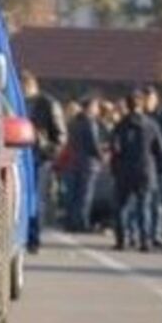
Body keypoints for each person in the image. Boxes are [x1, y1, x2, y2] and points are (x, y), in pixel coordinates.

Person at [110, 91, 162, 251]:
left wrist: (116, 163)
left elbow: (115, 147)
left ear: (127, 105)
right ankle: (145, 240)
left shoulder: (120, 125)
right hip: (146, 168)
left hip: (124, 169)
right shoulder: (152, 124)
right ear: (141, 104)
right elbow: (161, 149)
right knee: (144, 206)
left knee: (121, 206)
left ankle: (122, 239)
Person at [23, 72, 65, 252]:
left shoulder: (48, 104)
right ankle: (22, 236)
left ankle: (33, 238)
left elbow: (60, 135)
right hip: (19, 155)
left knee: (36, 199)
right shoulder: (15, 102)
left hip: (38, 157)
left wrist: (47, 153)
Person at [64, 97, 104, 232]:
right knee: (85, 195)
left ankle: (71, 222)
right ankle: (82, 222)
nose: (97, 109)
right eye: (96, 106)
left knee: (74, 195)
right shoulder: (90, 123)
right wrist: (101, 156)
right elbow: (93, 144)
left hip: (74, 161)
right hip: (88, 163)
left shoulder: (73, 122)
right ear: (90, 107)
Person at [143, 86, 162, 248]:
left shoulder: (161, 119)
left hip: (157, 165)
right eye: (146, 98)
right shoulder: (138, 117)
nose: (148, 101)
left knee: (157, 203)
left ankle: (156, 234)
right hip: (141, 166)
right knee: (141, 203)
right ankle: (142, 233)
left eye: (150, 98)